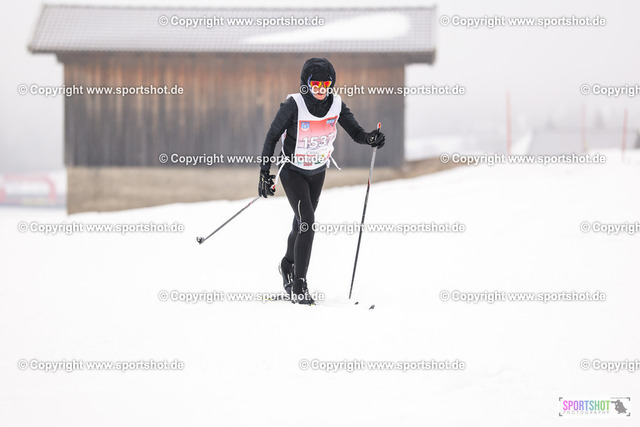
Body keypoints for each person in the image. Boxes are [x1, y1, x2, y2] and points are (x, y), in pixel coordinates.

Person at [258, 57, 385, 304]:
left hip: (317, 171)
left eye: (325, 84)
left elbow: (356, 133)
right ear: (306, 84)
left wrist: (371, 138)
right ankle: (299, 285)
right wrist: (265, 173)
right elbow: (272, 137)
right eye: (315, 84)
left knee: (301, 222)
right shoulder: (293, 105)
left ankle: (287, 265)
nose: (320, 89)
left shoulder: (336, 105)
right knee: (308, 221)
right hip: (292, 170)